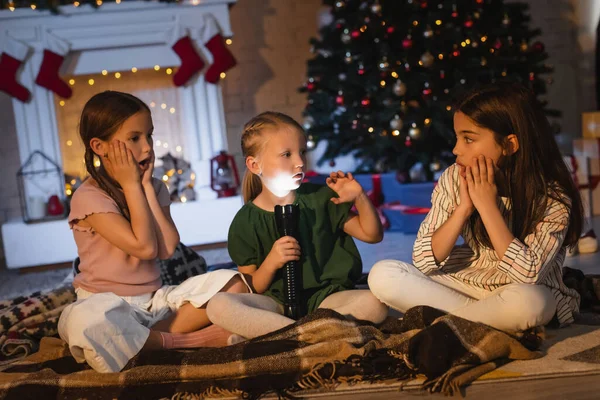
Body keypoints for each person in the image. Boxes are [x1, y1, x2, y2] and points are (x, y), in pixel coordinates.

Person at [58, 91, 249, 373]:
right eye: (134, 138)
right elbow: (144, 248)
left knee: (235, 282)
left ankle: (145, 341)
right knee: (83, 325)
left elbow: (168, 247)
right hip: (107, 305)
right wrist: (133, 186)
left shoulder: (154, 186)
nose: (147, 147)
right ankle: (190, 340)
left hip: (156, 301)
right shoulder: (89, 197)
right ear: (99, 146)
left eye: (149, 135)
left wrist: (146, 187)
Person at [368, 82, 583, 332]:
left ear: (509, 145)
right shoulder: (453, 177)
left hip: (519, 290)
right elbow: (424, 260)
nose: (456, 149)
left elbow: (527, 275)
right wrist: (463, 209)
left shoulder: (552, 197)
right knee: (384, 274)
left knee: (533, 303)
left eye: (468, 139)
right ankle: (476, 324)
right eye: (457, 137)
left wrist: (487, 206)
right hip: (466, 281)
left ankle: (446, 327)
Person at [206, 111, 388, 339]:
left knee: (376, 304)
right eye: (286, 154)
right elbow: (255, 286)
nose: (300, 162)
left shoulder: (320, 198)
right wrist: (272, 261)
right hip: (276, 305)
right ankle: (312, 334)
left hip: (328, 300)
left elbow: (372, 235)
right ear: (254, 165)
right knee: (218, 305)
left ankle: (282, 337)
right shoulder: (245, 222)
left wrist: (360, 196)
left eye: (302, 152)